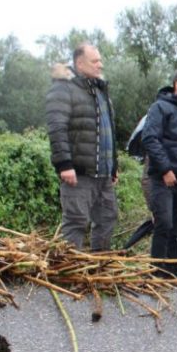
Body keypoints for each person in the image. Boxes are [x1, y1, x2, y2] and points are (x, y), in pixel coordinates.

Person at [45, 43, 119, 251]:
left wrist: (113, 166)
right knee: (76, 221)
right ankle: (69, 269)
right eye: (95, 61)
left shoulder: (100, 90)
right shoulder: (64, 88)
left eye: (100, 60)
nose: (100, 65)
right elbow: (57, 127)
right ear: (79, 63)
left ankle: (100, 266)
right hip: (79, 173)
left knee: (107, 218)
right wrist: (64, 164)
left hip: (103, 173)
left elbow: (108, 130)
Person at [140, 70, 177, 278]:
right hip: (163, 178)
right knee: (164, 222)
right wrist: (166, 169)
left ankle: (172, 276)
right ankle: (156, 272)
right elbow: (150, 139)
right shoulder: (160, 107)